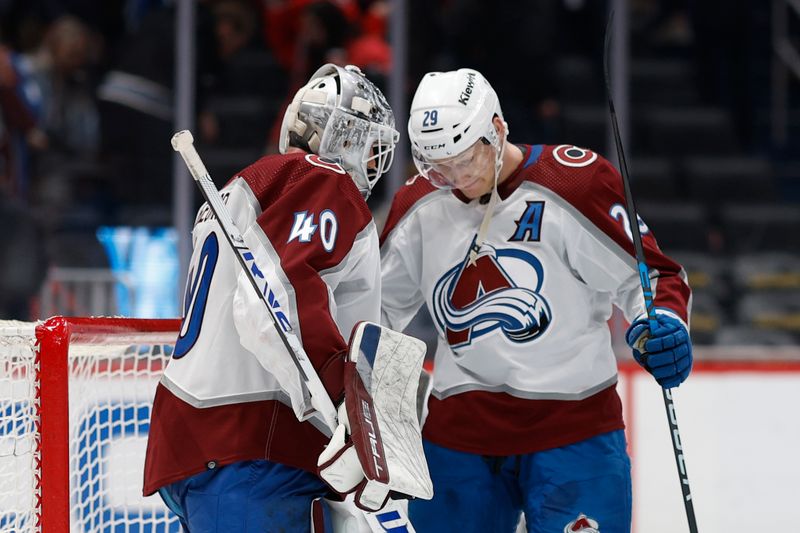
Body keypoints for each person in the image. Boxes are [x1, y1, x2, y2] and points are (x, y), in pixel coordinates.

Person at [379, 68, 693, 532]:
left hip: (575, 429)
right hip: (461, 435)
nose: (457, 179)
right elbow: (377, 309)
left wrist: (662, 325)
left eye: (466, 160)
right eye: (438, 166)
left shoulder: (574, 185)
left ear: (498, 128)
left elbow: (651, 275)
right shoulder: (422, 202)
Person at [144, 64, 404, 532]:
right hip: (253, 449)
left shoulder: (240, 190)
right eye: (369, 145)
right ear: (343, 135)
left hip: (203, 446)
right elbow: (277, 295)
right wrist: (347, 401)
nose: (372, 164)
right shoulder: (322, 180)